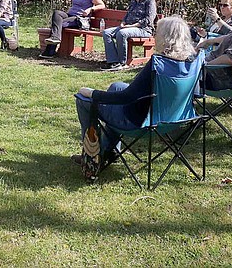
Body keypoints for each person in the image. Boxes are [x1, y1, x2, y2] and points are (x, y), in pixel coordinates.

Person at [73, 16, 201, 179]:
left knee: (83, 100)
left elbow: (127, 97)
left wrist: (92, 93)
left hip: (141, 122)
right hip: (174, 119)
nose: (155, 36)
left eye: (158, 33)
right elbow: (197, 94)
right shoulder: (192, 62)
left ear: (165, 38)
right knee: (116, 86)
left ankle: (92, 156)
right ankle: (109, 151)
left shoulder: (159, 63)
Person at [39, 0, 105, 58]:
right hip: (70, 15)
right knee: (57, 13)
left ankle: (50, 51)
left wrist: (90, 9)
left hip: (80, 19)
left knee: (59, 24)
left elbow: (102, 5)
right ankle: (55, 40)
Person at [102, 0, 157, 70]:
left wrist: (132, 26)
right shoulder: (133, 1)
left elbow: (149, 20)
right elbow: (128, 15)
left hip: (143, 29)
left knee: (122, 33)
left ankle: (122, 63)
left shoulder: (150, 0)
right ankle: (113, 61)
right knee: (106, 32)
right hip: (128, 27)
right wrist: (123, 23)